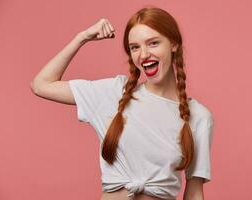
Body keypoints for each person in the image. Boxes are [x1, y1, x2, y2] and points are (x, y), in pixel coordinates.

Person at [30, 6, 214, 200]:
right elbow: (41, 84)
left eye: (153, 43)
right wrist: (82, 37)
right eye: (135, 47)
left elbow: (194, 192)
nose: (143, 55)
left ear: (174, 44)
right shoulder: (114, 93)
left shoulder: (199, 116)